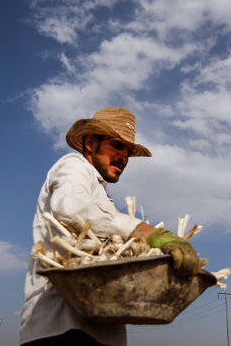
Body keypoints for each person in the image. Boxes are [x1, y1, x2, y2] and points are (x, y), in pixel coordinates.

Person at [20, 108, 200, 346]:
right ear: (91, 143)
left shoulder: (101, 193)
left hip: (101, 329)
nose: (123, 158)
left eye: (128, 152)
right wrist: (148, 232)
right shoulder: (73, 167)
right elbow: (71, 207)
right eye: (116, 146)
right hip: (61, 327)